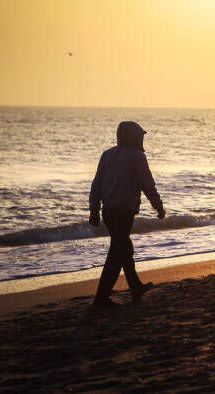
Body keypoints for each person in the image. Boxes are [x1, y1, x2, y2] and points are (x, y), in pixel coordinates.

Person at [89, 121, 166, 309]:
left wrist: (94, 209)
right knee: (117, 253)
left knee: (123, 249)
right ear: (132, 137)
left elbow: (96, 184)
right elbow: (147, 184)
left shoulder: (106, 155)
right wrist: (158, 206)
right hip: (124, 212)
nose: (141, 140)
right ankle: (101, 299)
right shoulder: (137, 156)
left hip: (109, 212)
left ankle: (135, 286)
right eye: (139, 136)